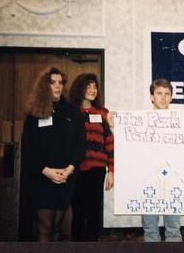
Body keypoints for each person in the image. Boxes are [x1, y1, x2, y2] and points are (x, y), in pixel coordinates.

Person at [107, 78, 182, 242]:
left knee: (174, 229)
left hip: (173, 181)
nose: (163, 97)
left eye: (167, 94)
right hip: (148, 182)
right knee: (150, 230)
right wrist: (114, 127)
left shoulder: (181, 121)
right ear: (151, 97)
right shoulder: (140, 121)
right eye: (159, 93)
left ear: (171, 97)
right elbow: (128, 144)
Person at [20, 67, 85, 241]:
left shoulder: (72, 111)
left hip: (66, 177)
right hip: (42, 178)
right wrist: (46, 171)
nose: (57, 86)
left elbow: (80, 144)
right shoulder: (34, 113)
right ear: (44, 86)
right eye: (52, 82)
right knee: (44, 228)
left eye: (60, 82)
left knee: (57, 227)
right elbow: (28, 148)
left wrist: (69, 169)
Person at [69, 73, 114, 241]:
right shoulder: (70, 112)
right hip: (74, 169)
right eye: (88, 86)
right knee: (78, 214)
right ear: (80, 88)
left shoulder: (103, 113)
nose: (93, 90)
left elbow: (109, 142)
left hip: (96, 170)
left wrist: (111, 171)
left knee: (94, 214)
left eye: (95, 87)